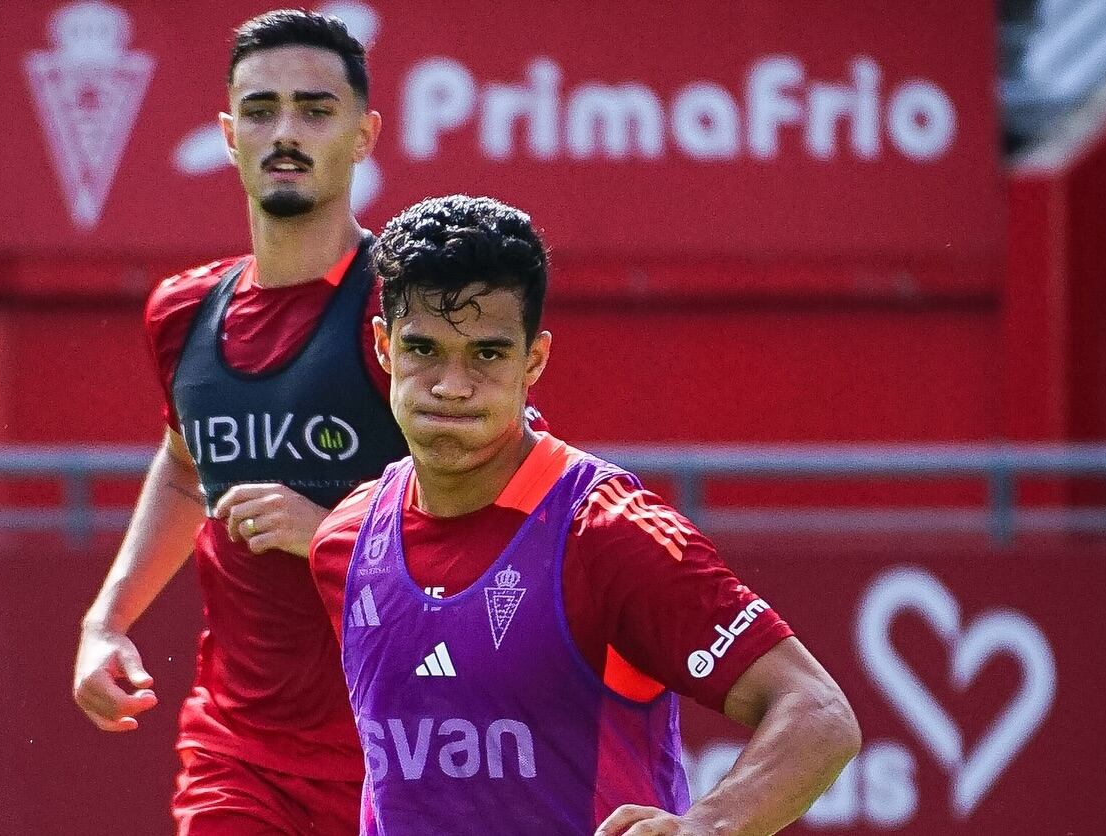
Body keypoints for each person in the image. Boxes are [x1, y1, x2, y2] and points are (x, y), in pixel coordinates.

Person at [310, 195, 862, 836]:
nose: (451, 385)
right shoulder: (343, 545)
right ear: (383, 347)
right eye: (423, 349)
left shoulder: (609, 532)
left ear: (534, 361)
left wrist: (708, 826)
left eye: (486, 354)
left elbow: (818, 712)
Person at [71, 11, 408, 835]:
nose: (284, 132)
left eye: (314, 110)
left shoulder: (408, 312)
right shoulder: (183, 311)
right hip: (238, 754)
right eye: (260, 111)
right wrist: (106, 622)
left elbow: (495, 526)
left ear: (364, 135)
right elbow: (188, 465)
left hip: (409, 750)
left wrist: (331, 534)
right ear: (228, 133)